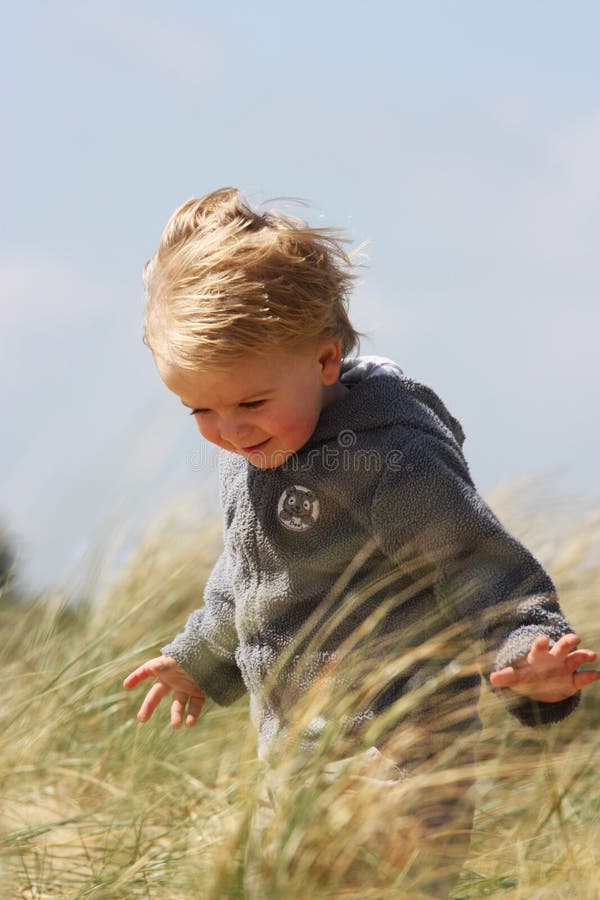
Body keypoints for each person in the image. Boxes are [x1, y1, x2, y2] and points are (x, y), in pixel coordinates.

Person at [124, 187, 598, 895]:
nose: (230, 430)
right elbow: (249, 576)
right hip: (293, 755)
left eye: (250, 402)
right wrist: (199, 656)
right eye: (201, 408)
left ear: (324, 359)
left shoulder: (389, 457)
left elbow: (477, 565)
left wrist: (528, 653)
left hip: (400, 757)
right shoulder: (257, 450)